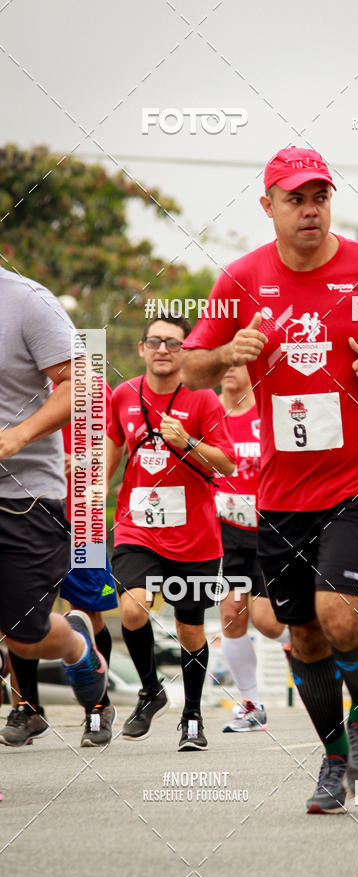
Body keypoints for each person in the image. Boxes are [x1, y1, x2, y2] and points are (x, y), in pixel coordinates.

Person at [180, 146, 358, 812]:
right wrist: (226, 352)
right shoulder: (242, 279)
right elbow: (190, 370)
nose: (310, 209)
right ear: (268, 205)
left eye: (320, 197)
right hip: (282, 488)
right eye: (296, 198)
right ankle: (334, 757)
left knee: (338, 614)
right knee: (302, 632)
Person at [107, 314, 234, 750]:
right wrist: (89, 495)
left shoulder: (203, 400)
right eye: (155, 342)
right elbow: (112, 450)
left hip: (195, 536)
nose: (163, 349)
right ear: (141, 348)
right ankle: (150, 690)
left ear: (186, 352)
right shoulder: (123, 396)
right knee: (132, 611)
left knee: (189, 630)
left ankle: (192, 717)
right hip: (136, 529)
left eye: (174, 343)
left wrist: (189, 443)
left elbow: (228, 464)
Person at [0, 266, 107, 737]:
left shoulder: (26, 302)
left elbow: (84, 383)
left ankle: (76, 644)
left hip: (22, 497)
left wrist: (19, 435)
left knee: (25, 638)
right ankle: (26, 709)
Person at [215, 365, 289, 733]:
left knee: (269, 622)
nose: (228, 368)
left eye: (236, 361)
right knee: (231, 612)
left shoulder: (269, 411)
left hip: (270, 527)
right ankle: (250, 704)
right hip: (224, 530)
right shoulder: (206, 412)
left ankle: (304, 641)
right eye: (222, 361)